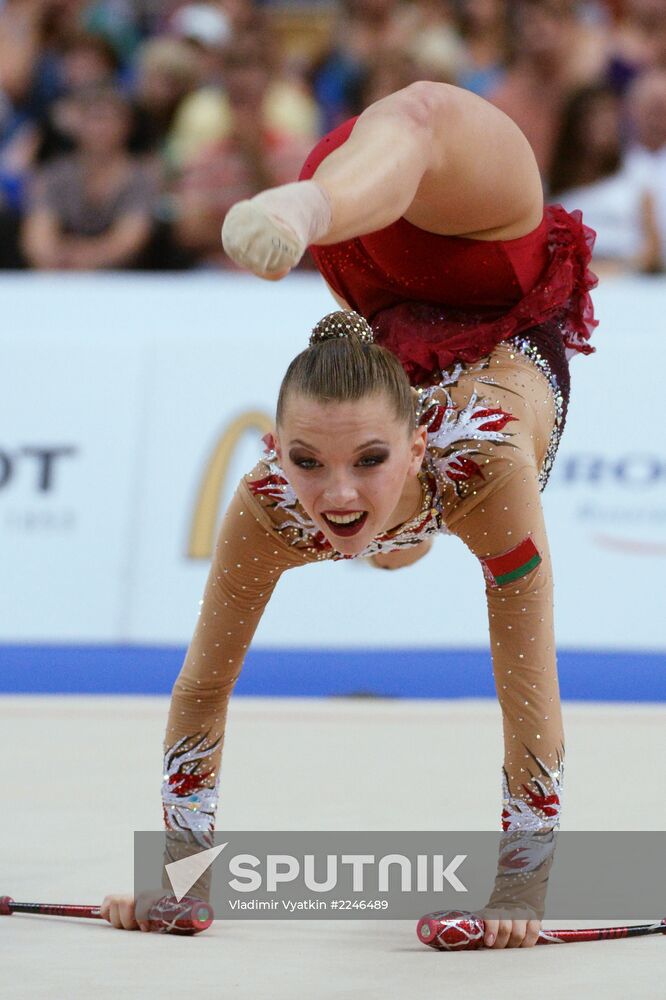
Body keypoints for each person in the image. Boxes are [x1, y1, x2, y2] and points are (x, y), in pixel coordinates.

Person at [102, 81, 597, 947]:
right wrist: (180, 879)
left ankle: (313, 197)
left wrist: (523, 889)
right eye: (305, 462)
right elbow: (203, 687)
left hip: (493, 264)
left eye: (368, 463)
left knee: (416, 118)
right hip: (380, 279)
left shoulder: (484, 471)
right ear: (275, 449)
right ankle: (327, 195)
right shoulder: (272, 506)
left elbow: (528, 691)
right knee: (383, 534)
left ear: (415, 451)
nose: (333, 495)